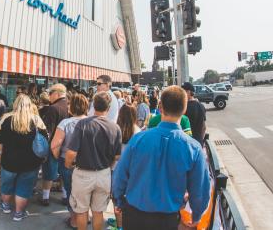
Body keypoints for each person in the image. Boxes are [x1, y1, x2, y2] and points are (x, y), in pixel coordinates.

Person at [112, 86, 211, 230]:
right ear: (184, 110)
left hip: (134, 215)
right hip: (167, 219)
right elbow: (200, 190)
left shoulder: (138, 140)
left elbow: (120, 176)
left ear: (161, 108)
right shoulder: (193, 148)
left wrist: (119, 201)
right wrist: (197, 215)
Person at [65, 92, 122, 230]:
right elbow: (117, 156)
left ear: (92, 105)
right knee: (98, 212)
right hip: (103, 174)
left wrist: (68, 165)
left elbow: (71, 152)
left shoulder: (82, 124)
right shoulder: (115, 127)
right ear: (108, 108)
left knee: (81, 211)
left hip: (83, 174)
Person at [0, 95, 48, 222]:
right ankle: (18, 213)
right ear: (30, 105)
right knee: (24, 188)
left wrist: (1, 152)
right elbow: (45, 139)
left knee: (6, 185)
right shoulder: (37, 120)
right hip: (31, 162)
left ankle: (6, 206)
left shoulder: (6, 118)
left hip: (9, 161)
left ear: (15, 104)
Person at [51, 94, 89, 229]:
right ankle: (84, 216)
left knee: (71, 191)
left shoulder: (65, 123)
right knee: (85, 191)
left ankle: (74, 220)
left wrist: (57, 157)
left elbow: (55, 145)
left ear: (71, 107)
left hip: (67, 161)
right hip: (87, 163)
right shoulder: (92, 121)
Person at [38, 83, 69, 206]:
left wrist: (44, 148)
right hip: (67, 145)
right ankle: (66, 196)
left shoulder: (53, 108)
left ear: (56, 93)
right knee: (64, 172)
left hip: (53, 145)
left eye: (50, 93)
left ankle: (45, 197)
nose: (49, 96)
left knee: (49, 172)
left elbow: (48, 131)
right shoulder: (69, 106)